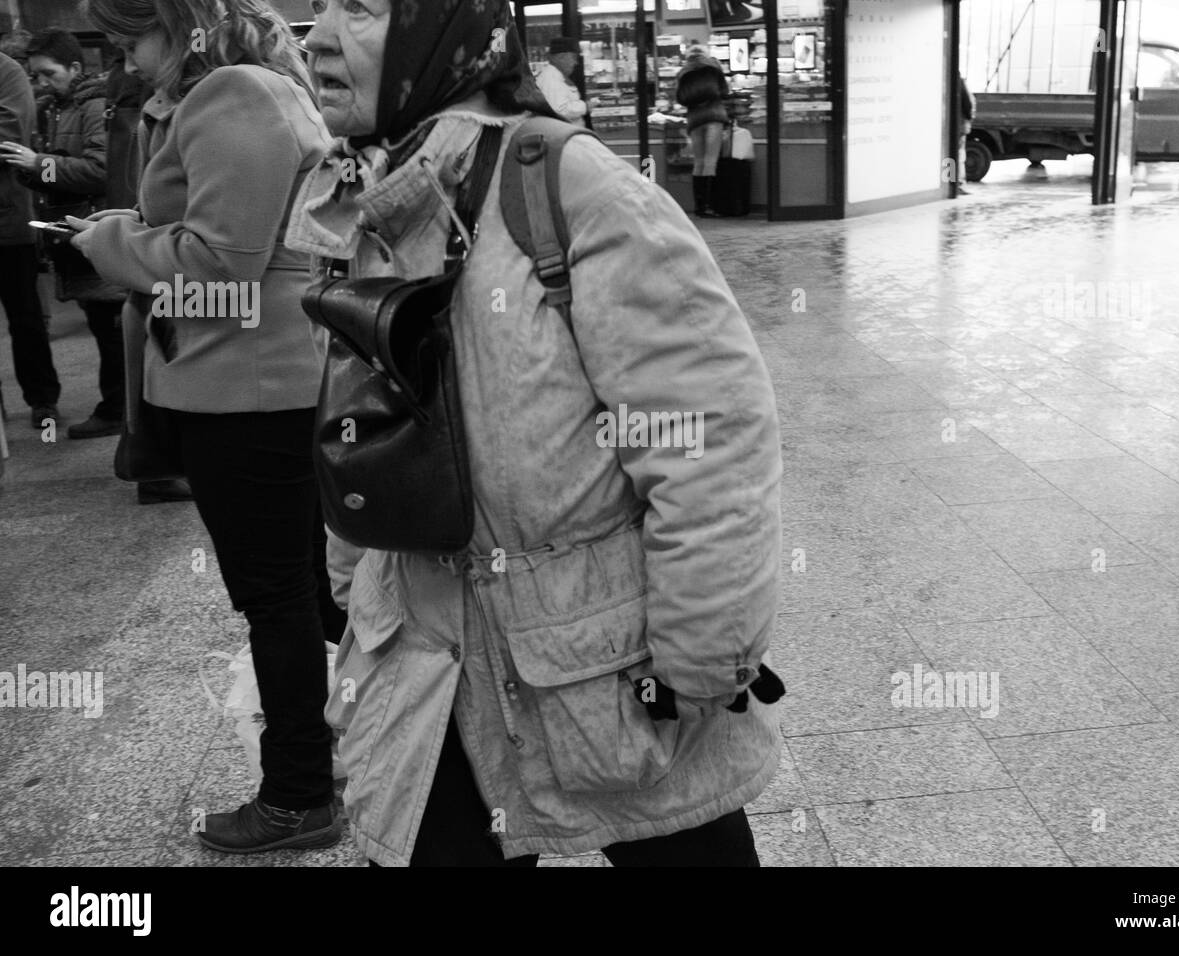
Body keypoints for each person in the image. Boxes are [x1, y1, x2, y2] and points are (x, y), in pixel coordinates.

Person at [293, 0, 783, 867]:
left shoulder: (568, 186)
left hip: (605, 666)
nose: (321, 36)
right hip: (423, 660)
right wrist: (353, 573)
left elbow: (705, 438)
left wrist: (701, 663)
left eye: (362, 7)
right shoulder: (371, 197)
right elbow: (362, 411)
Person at [72, 0, 345, 853]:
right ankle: (336, 755)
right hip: (270, 378)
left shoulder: (231, 93)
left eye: (134, 38)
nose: (128, 59)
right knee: (301, 589)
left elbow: (221, 267)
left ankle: (300, 793)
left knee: (278, 598)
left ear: (183, 26)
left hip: (245, 387)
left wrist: (112, 241)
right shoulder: (264, 89)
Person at [6, 29, 124, 441]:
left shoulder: (94, 105)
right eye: (34, 75)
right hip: (72, 232)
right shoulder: (54, 107)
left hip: (95, 227)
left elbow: (96, 170)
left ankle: (117, 408)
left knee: (112, 328)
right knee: (102, 323)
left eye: (47, 74)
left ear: (75, 68)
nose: (39, 83)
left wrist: (38, 163)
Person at [0, 49, 62, 428]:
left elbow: (7, 136)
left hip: (6, 221)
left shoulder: (6, 71)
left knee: (25, 319)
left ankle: (42, 400)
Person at [675, 45, 728, 218]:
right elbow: (724, 91)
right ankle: (710, 205)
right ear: (705, 54)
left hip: (695, 119)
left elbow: (680, 98)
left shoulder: (683, 72)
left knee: (698, 162)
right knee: (711, 162)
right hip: (714, 115)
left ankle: (699, 207)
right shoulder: (713, 66)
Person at [533, 36, 590, 127]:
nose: (576, 63)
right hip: (561, 136)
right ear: (560, 57)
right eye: (573, 58)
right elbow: (560, 110)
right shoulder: (550, 78)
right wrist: (586, 107)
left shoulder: (556, 76)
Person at [958, 75, 975, 195]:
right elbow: (968, 104)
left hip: (948, 126)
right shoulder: (959, 81)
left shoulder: (944, 79)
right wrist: (969, 117)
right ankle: (958, 184)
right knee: (959, 156)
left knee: (948, 156)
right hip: (959, 125)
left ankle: (947, 182)